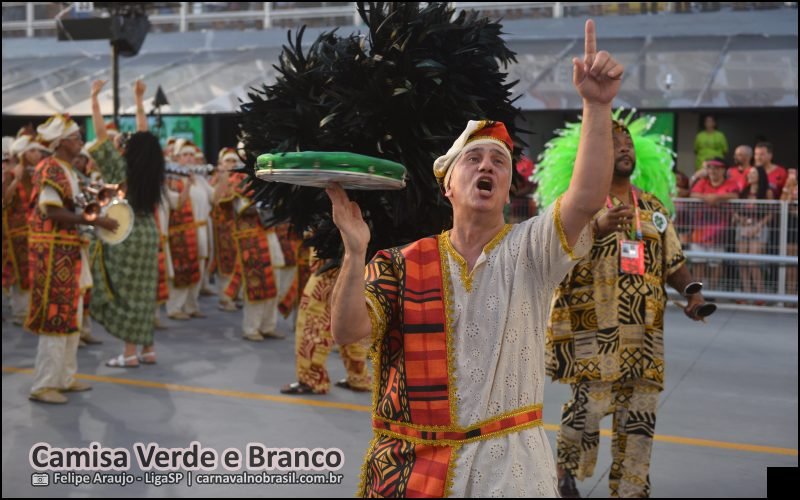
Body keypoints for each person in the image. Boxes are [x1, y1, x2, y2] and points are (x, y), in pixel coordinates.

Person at [328, 19, 623, 497]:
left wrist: (596, 104)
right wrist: (355, 249)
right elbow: (346, 332)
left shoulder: (532, 249)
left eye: (499, 162)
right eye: (473, 159)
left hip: (512, 469)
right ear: (448, 184)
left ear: (508, 187)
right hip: (416, 468)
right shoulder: (399, 262)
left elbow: (587, 196)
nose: (487, 165)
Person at [546, 121, 708, 499]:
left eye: (629, 143)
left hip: (645, 335)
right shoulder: (577, 204)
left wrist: (692, 293)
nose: (624, 149)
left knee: (640, 419)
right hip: (593, 331)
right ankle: (563, 472)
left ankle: (631, 488)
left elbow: (673, 261)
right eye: (613, 143)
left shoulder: (652, 207)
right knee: (584, 411)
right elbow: (555, 253)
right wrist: (596, 228)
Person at [26, 113, 118, 404]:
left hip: (69, 252)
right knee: (56, 316)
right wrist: (94, 222)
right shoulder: (49, 168)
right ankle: (43, 385)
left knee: (71, 315)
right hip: (55, 255)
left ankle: (64, 378)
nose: (80, 141)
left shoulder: (67, 170)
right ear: (61, 142)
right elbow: (52, 212)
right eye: (76, 137)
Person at [88, 79, 164, 367]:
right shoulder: (151, 171)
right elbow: (144, 137)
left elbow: (100, 135)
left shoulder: (121, 169)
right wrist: (139, 100)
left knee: (126, 293)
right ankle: (148, 349)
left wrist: (94, 100)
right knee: (146, 291)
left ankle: (129, 352)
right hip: (149, 232)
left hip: (127, 232)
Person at [280, 252, 371, 395]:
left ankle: (312, 380)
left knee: (312, 325)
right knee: (352, 328)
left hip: (329, 276)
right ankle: (359, 377)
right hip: (357, 276)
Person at [2, 131, 48, 325]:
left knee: (32, 270)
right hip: (13, 233)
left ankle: (29, 311)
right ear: (25, 154)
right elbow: (4, 200)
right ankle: (21, 312)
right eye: (33, 151)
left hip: (33, 230)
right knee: (18, 272)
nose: (38, 154)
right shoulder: (10, 174)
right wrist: (16, 180)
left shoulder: (38, 172)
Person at [689, 158, 739, 291]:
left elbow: (735, 195)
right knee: (698, 263)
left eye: (716, 168)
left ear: (723, 170)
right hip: (699, 230)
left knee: (716, 264)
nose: (713, 171)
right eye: (710, 168)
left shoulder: (730, 182)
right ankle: (698, 292)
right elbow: (693, 194)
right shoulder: (702, 182)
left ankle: (712, 291)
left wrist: (717, 197)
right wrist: (707, 198)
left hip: (720, 232)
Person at [732, 167, 773, 304]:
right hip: (743, 227)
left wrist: (758, 226)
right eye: (749, 173)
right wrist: (740, 219)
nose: (750, 175)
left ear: (760, 176)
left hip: (759, 227)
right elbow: (735, 210)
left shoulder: (767, 192)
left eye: (753, 173)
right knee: (742, 262)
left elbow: (771, 213)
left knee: (753, 262)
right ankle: (746, 292)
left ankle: (761, 294)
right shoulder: (744, 191)